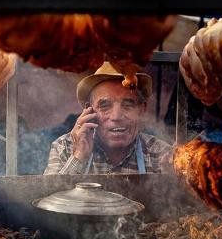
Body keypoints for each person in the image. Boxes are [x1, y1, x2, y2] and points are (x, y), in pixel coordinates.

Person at [44, 61, 172, 175]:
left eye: (128, 105)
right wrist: (78, 157)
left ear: (142, 109)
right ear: (89, 111)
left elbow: (179, 200)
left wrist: (171, 181)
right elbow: (46, 199)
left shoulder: (161, 154)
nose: (116, 117)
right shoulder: (64, 148)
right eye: (104, 106)